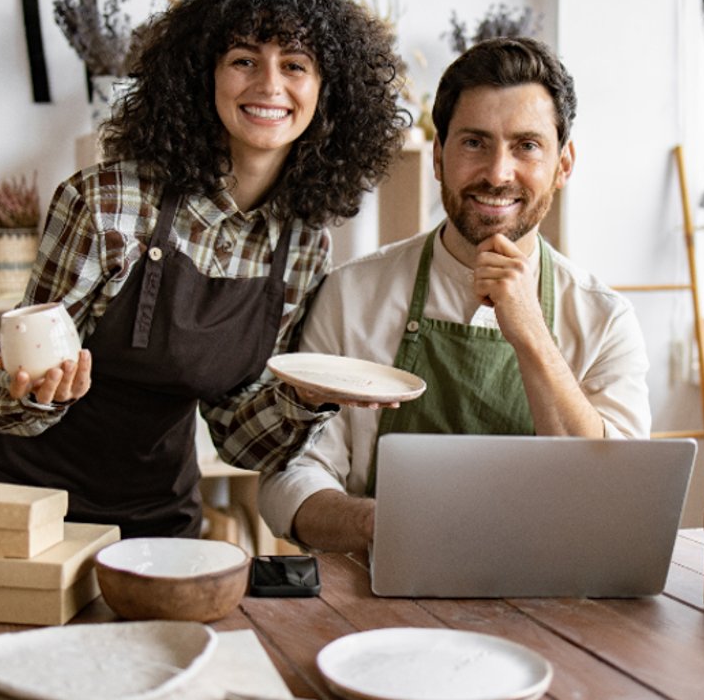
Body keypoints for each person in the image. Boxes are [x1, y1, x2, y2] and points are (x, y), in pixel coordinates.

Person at [0, 0, 407, 539]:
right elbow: (5, 407)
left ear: (327, 92)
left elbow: (239, 439)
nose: (270, 84)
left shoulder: (301, 246)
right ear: (203, 76)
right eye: (244, 60)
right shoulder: (106, 203)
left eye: (295, 65)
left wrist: (305, 398)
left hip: (157, 513)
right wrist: (40, 394)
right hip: (23, 503)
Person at [257, 37, 651, 552]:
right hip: (376, 583)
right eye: (474, 143)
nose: (498, 173)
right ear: (439, 157)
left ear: (564, 164)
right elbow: (291, 473)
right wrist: (377, 524)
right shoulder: (352, 294)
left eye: (527, 146)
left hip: (552, 590)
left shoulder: (605, 319)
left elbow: (619, 500)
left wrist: (532, 333)